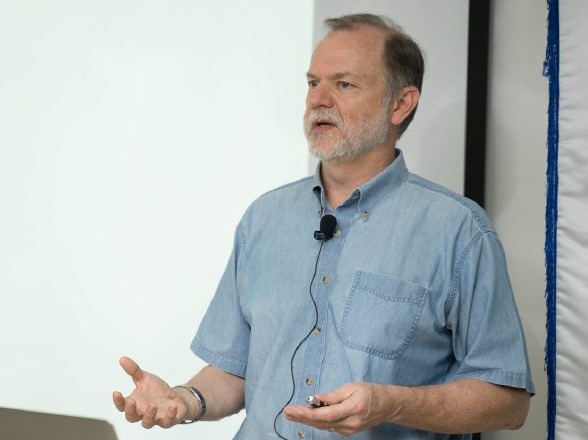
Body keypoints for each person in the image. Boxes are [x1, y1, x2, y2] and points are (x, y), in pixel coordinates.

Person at [112, 13, 534, 439]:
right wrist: (185, 400)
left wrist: (393, 403)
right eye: (313, 83)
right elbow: (234, 370)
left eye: (343, 84)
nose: (318, 100)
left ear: (400, 104)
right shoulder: (264, 218)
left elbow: (507, 401)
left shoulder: (458, 231)